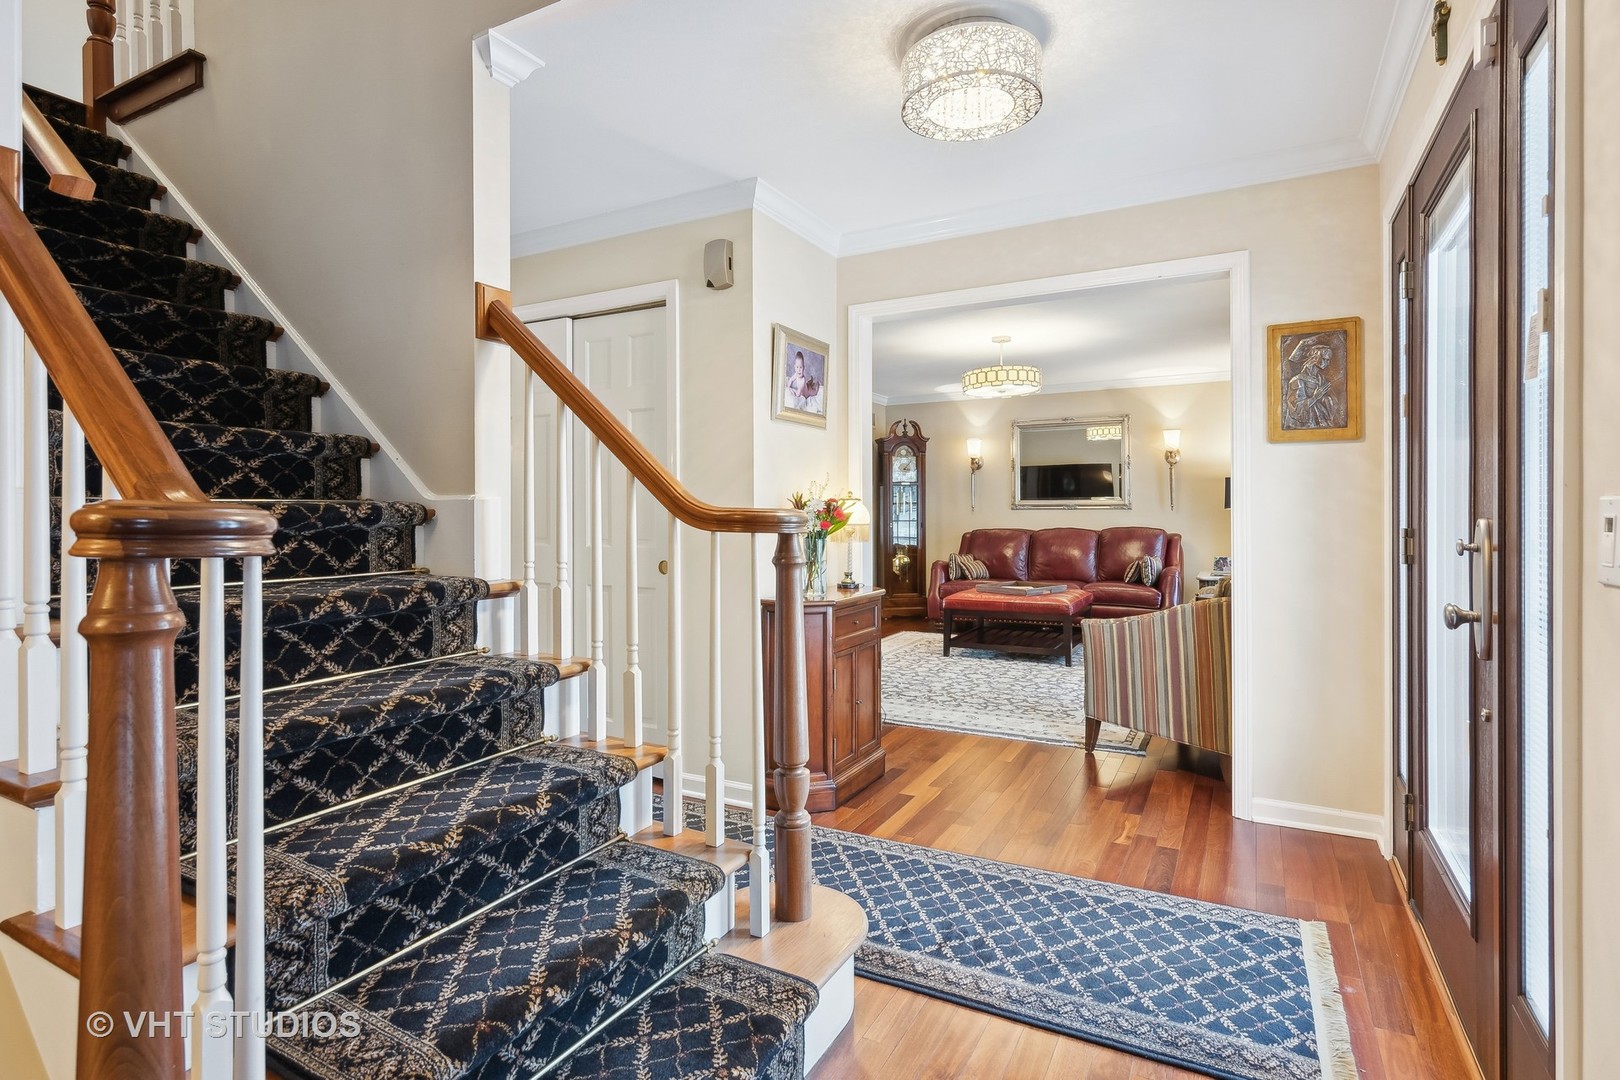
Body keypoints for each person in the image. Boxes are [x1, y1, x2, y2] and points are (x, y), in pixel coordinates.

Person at [1283, 340, 1338, 429]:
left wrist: (1326, 399)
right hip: (1304, 425)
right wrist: (1315, 397)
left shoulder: (1321, 379)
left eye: (1328, 360)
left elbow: (1332, 402)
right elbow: (1296, 408)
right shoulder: (1298, 380)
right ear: (1315, 357)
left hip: (1320, 423)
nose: (1327, 363)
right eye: (1324, 359)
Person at [785, 349, 823, 413]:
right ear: (794, 367)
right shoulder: (796, 374)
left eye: (801, 367)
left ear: (804, 368)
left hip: (808, 392)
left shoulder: (803, 380)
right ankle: (810, 382)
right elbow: (791, 380)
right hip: (805, 387)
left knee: (814, 391)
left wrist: (794, 394)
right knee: (808, 383)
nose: (799, 370)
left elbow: (798, 393)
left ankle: (817, 383)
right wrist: (788, 387)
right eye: (797, 367)